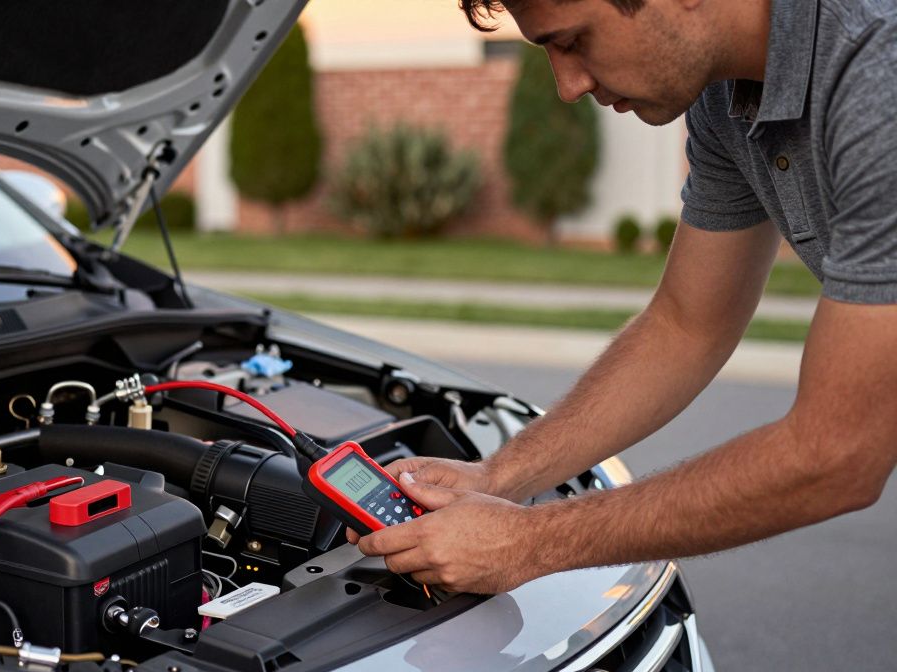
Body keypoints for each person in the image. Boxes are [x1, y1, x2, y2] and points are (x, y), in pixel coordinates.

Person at [350, 0, 897, 593]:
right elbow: (685, 326)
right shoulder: (725, 100)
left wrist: (526, 541)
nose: (567, 86)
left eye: (574, 41)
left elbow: (837, 453)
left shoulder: (878, 69)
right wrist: (498, 476)